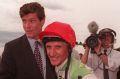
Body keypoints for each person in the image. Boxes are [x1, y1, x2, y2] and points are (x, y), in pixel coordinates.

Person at [0, 2, 57, 79]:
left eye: (32, 21)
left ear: (42, 21)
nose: (27, 26)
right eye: (24, 21)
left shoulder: (50, 45)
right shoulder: (11, 48)